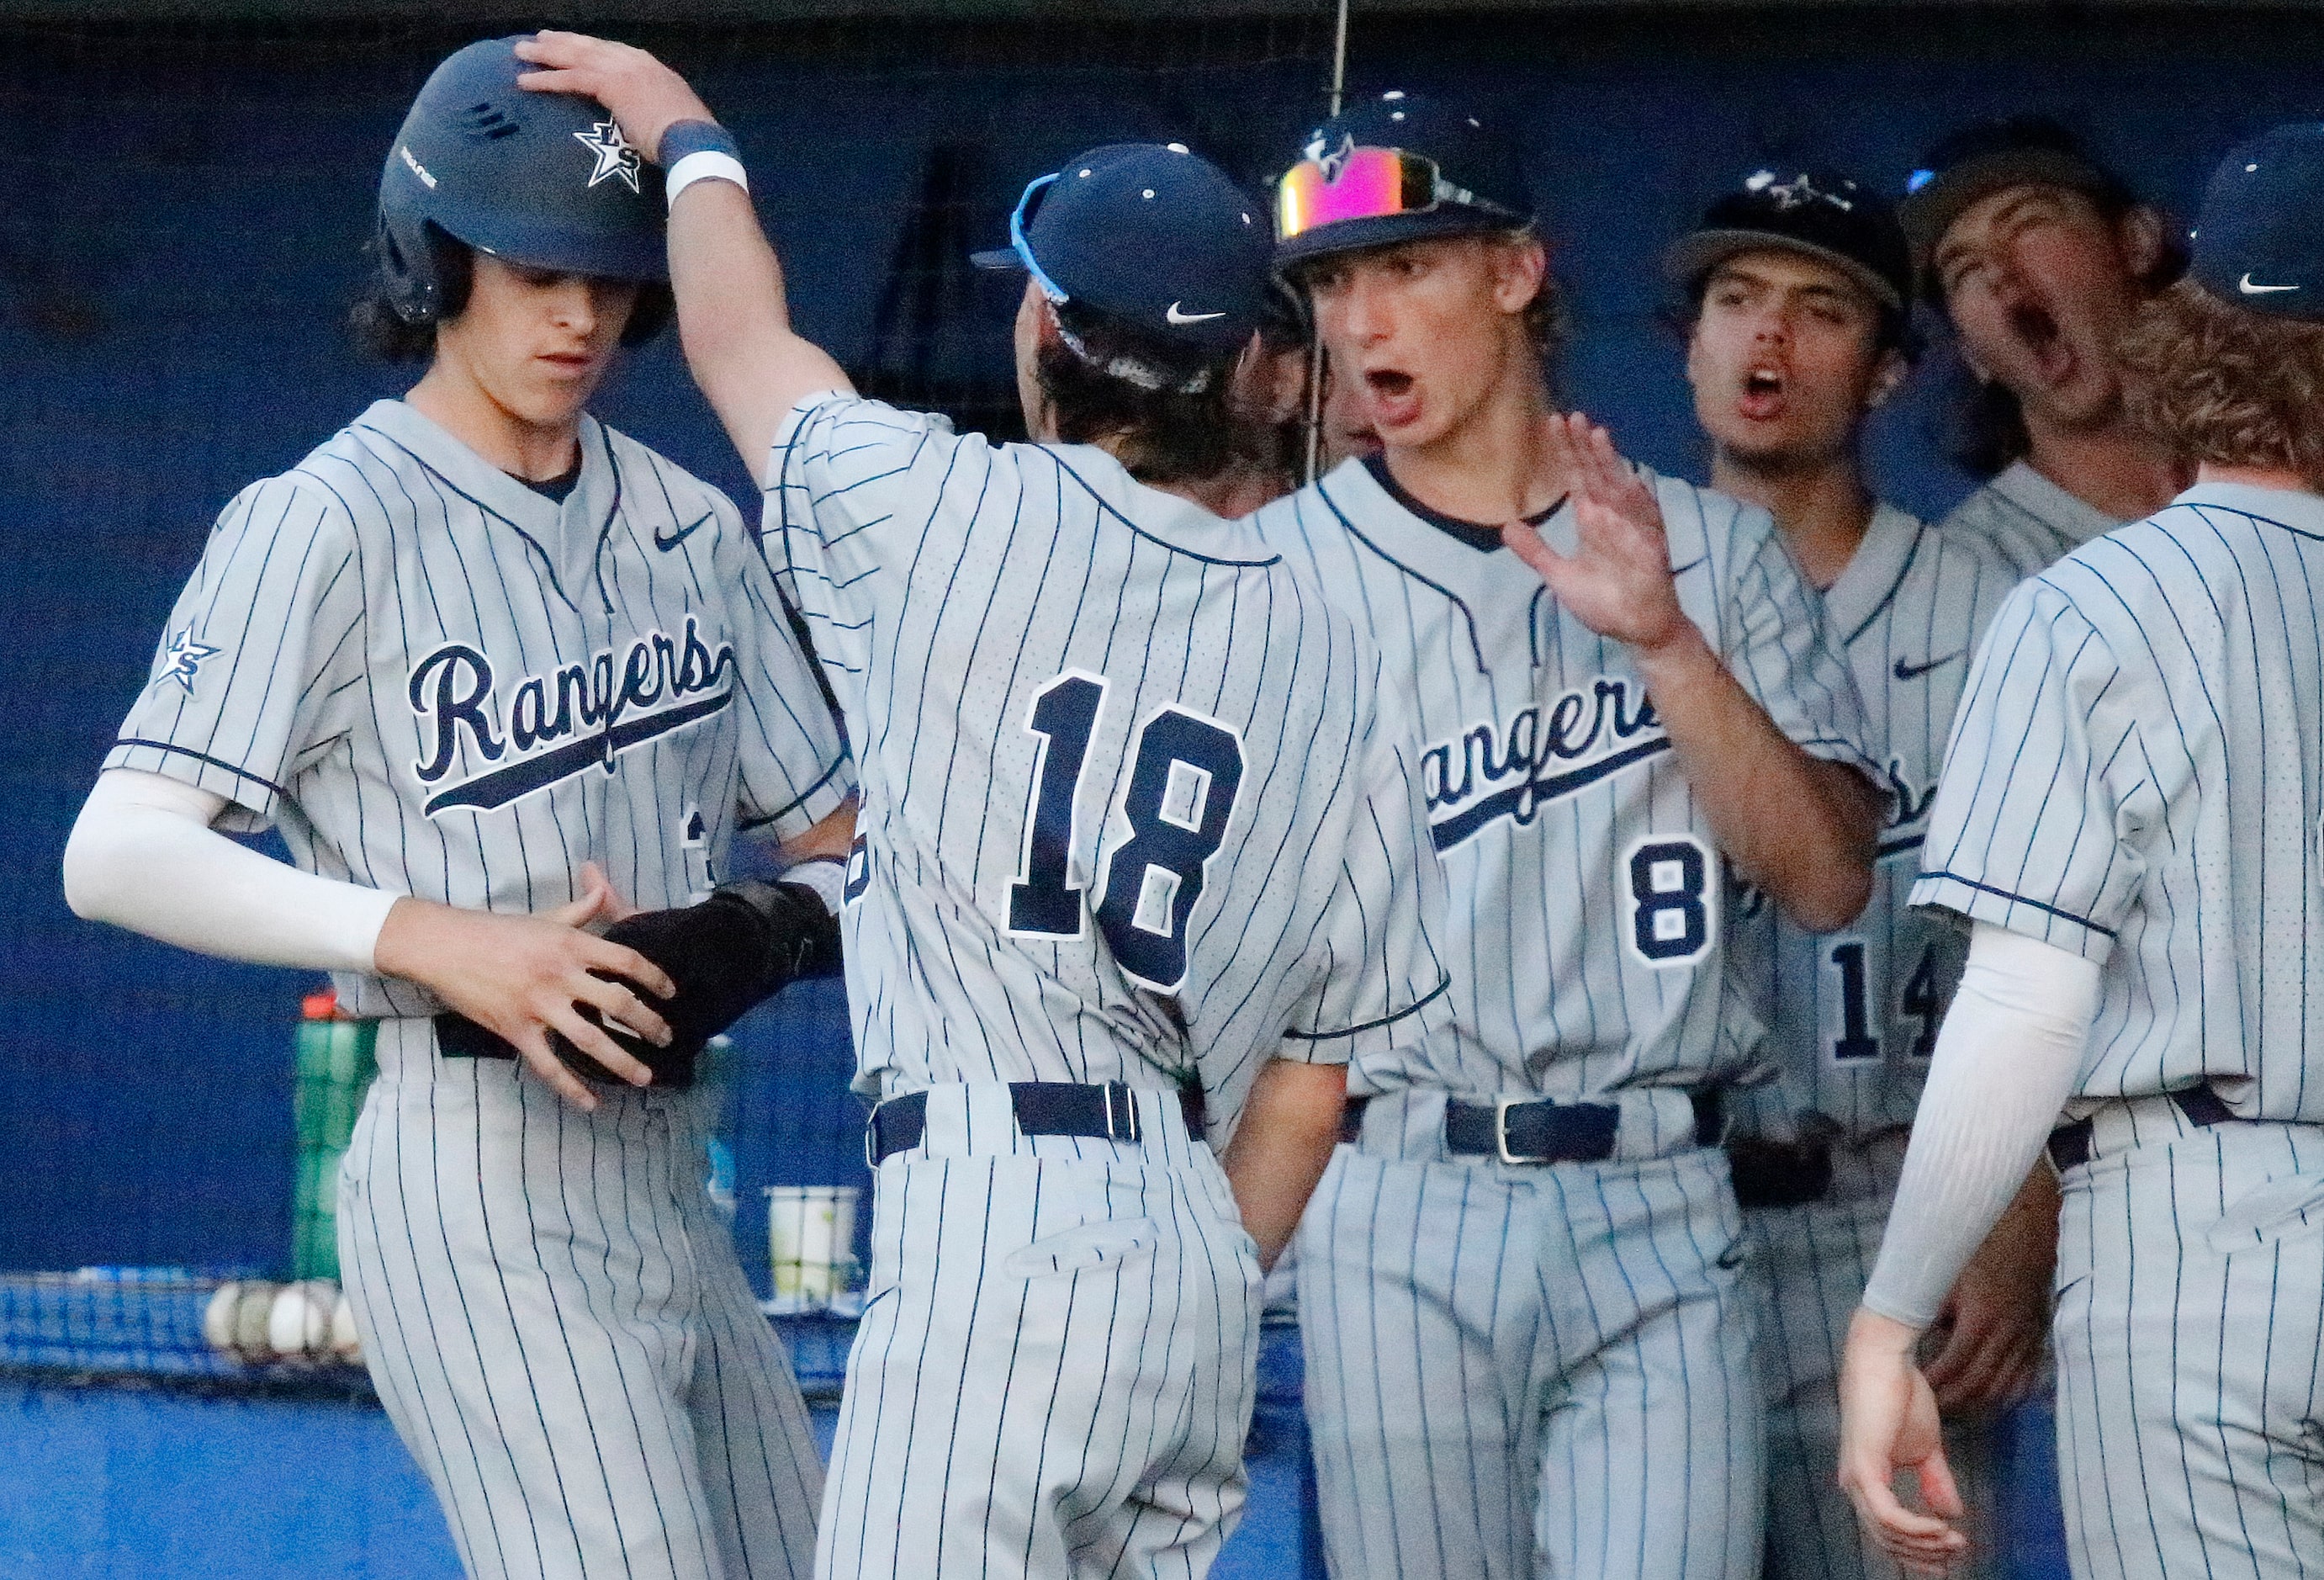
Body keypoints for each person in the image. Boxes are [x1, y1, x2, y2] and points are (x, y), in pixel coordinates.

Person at [515, 34, 1454, 1580]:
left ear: (1046, 327)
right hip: (1189, 1244)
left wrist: (681, 126)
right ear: (1241, 371)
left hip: (991, 1214)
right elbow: (1310, 1079)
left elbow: (737, 337)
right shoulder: (1336, 644)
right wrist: (1203, 1264)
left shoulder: (937, 510)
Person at [61, 38, 854, 1580]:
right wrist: (436, 937)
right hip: (466, 1149)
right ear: (436, 254)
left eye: (610, 276)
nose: (576, 313)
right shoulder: (322, 519)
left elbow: (847, 849)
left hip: (677, 1169)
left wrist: (771, 925)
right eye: (529, 263)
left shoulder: (692, 526)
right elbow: (116, 851)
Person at [1246, 93, 1884, 1580]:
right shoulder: (1271, 577)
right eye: (1333, 283)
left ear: (1516, 274)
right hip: (1396, 1187)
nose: (1359, 318)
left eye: (1402, 266)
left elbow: (1827, 876)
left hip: (1660, 1189)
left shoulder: (1709, 552)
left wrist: (1665, 642)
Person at [1838, 125, 2324, 1580]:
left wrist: (1888, 1311)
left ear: (2194, 308)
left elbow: (2023, 999)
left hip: (2195, 1233)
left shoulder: (2092, 601)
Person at [1667, 166, 2045, 1580]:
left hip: (1885, 1209)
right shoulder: (1603, 601)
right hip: (1654, 1217)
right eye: (1734, 299)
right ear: (1689, 340)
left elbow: (2036, 949)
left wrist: (2017, 1217)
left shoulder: (1986, 613)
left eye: (1820, 309)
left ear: (1886, 369)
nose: (1766, 339)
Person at [1903, 115, 2186, 575]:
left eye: (2027, 224)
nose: (1997, 272)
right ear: (1971, 353)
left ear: (2137, 241)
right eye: (1964, 270)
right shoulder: (1965, 574)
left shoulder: (2292, 472)